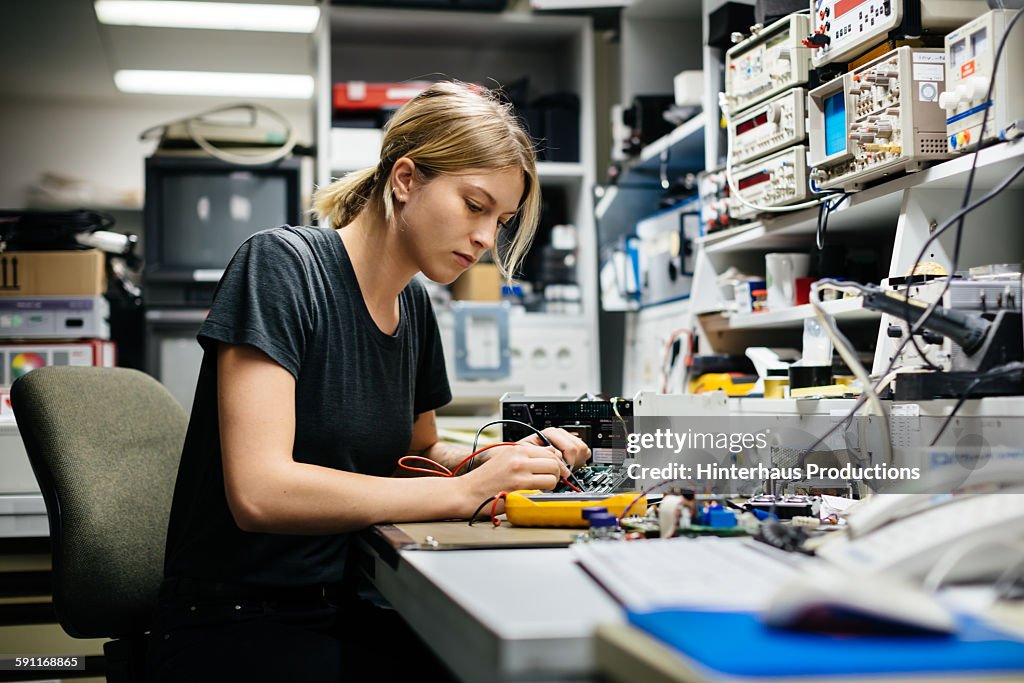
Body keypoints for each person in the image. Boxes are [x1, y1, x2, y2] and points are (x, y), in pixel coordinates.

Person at [147, 81, 590, 681]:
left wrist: (506, 459)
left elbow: (419, 449)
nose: (488, 238)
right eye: (474, 205)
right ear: (405, 180)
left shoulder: (414, 308)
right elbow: (260, 492)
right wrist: (464, 492)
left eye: (502, 220)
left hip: (346, 603)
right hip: (233, 621)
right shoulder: (282, 267)